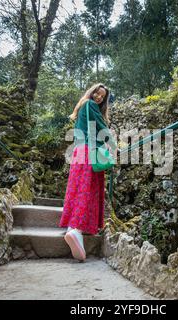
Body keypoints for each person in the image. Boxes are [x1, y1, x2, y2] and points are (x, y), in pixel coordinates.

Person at [59, 83, 117, 262]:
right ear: (91, 92)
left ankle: (72, 228)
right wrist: (114, 146)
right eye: (97, 93)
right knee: (88, 190)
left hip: (79, 151)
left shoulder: (82, 107)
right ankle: (76, 230)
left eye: (102, 96)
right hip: (89, 152)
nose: (98, 97)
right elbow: (101, 127)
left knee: (77, 189)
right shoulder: (91, 105)